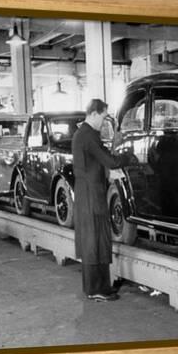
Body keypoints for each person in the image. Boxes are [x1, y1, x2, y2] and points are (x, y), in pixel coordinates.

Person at [72, 98, 131, 302]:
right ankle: (96, 289)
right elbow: (109, 160)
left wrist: (108, 174)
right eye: (104, 117)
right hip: (91, 196)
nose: (104, 122)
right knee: (94, 241)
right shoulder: (89, 135)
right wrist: (130, 156)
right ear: (94, 114)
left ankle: (99, 287)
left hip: (87, 192)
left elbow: (94, 163)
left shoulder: (83, 134)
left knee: (95, 240)